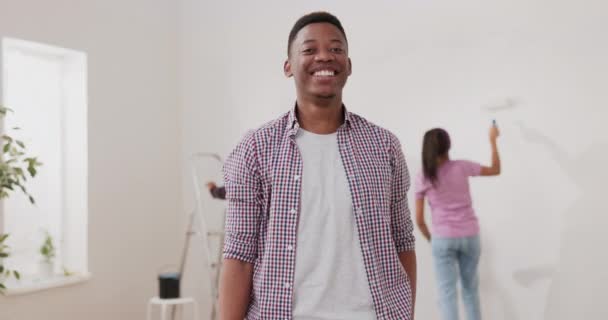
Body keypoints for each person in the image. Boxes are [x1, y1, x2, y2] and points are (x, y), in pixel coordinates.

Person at [218, 11, 417, 320]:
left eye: (336, 49)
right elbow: (240, 255)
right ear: (288, 67)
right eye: (309, 49)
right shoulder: (256, 149)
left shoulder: (384, 146)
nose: (324, 56)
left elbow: (402, 241)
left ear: (348, 66)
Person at [414, 125, 501, 320]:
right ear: (448, 145)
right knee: (470, 291)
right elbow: (496, 169)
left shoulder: (424, 176)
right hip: (470, 236)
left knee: (447, 294)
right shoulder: (462, 167)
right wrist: (493, 140)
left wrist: (432, 239)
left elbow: (419, 220)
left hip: (442, 238)